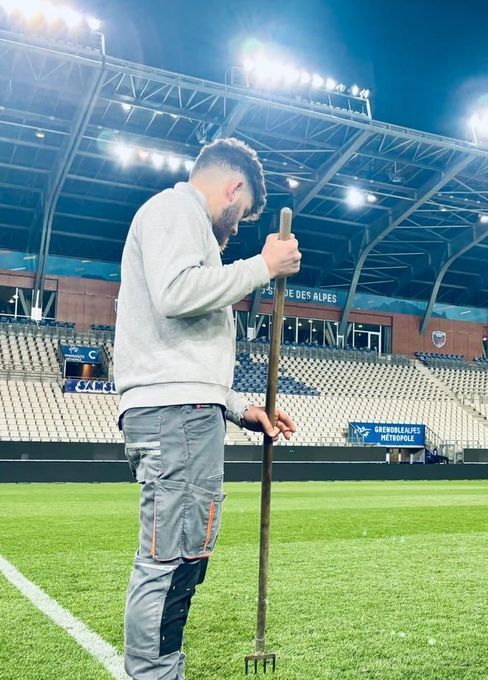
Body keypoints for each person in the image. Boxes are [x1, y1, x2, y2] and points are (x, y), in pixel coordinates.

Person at [114, 138, 302, 680]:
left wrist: (242, 409)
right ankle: (154, 671)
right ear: (233, 188)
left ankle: (161, 664)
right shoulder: (174, 210)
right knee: (170, 558)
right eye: (240, 214)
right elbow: (175, 294)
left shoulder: (189, 228)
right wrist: (262, 266)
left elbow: (187, 350)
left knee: (184, 555)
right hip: (176, 415)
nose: (237, 226)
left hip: (189, 409)